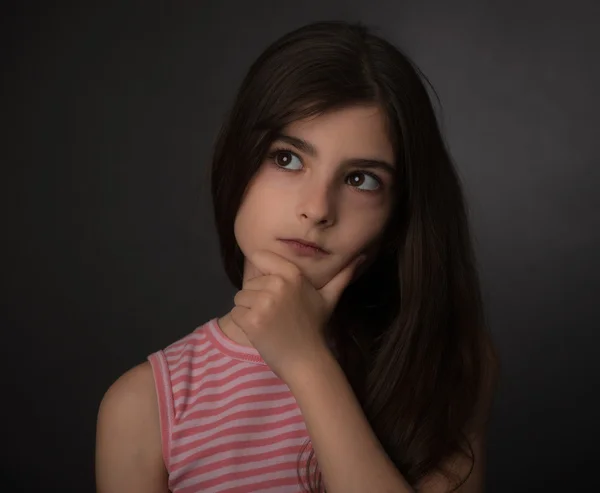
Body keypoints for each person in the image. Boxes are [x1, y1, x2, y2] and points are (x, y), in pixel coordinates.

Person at [95, 20, 499, 493]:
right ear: (237, 162)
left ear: (398, 216)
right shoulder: (146, 406)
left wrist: (307, 363)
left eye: (360, 179)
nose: (317, 209)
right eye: (287, 158)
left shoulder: (444, 362)